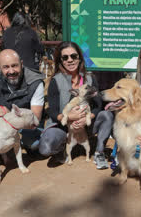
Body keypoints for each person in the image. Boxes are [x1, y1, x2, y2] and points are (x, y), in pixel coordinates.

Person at [43, 41, 114, 169]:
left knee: (107, 115)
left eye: (73, 56)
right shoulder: (55, 81)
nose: (70, 60)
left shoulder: (90, 78)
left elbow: (98, 106)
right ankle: (62, 148)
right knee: (46, 147)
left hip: (86, 125)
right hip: (64, 127)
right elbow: (52, 112)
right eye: (65, 57)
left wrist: (86, 118)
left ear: (79, 58)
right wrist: (69, 117)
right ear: (61, 61)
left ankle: (99, 152)